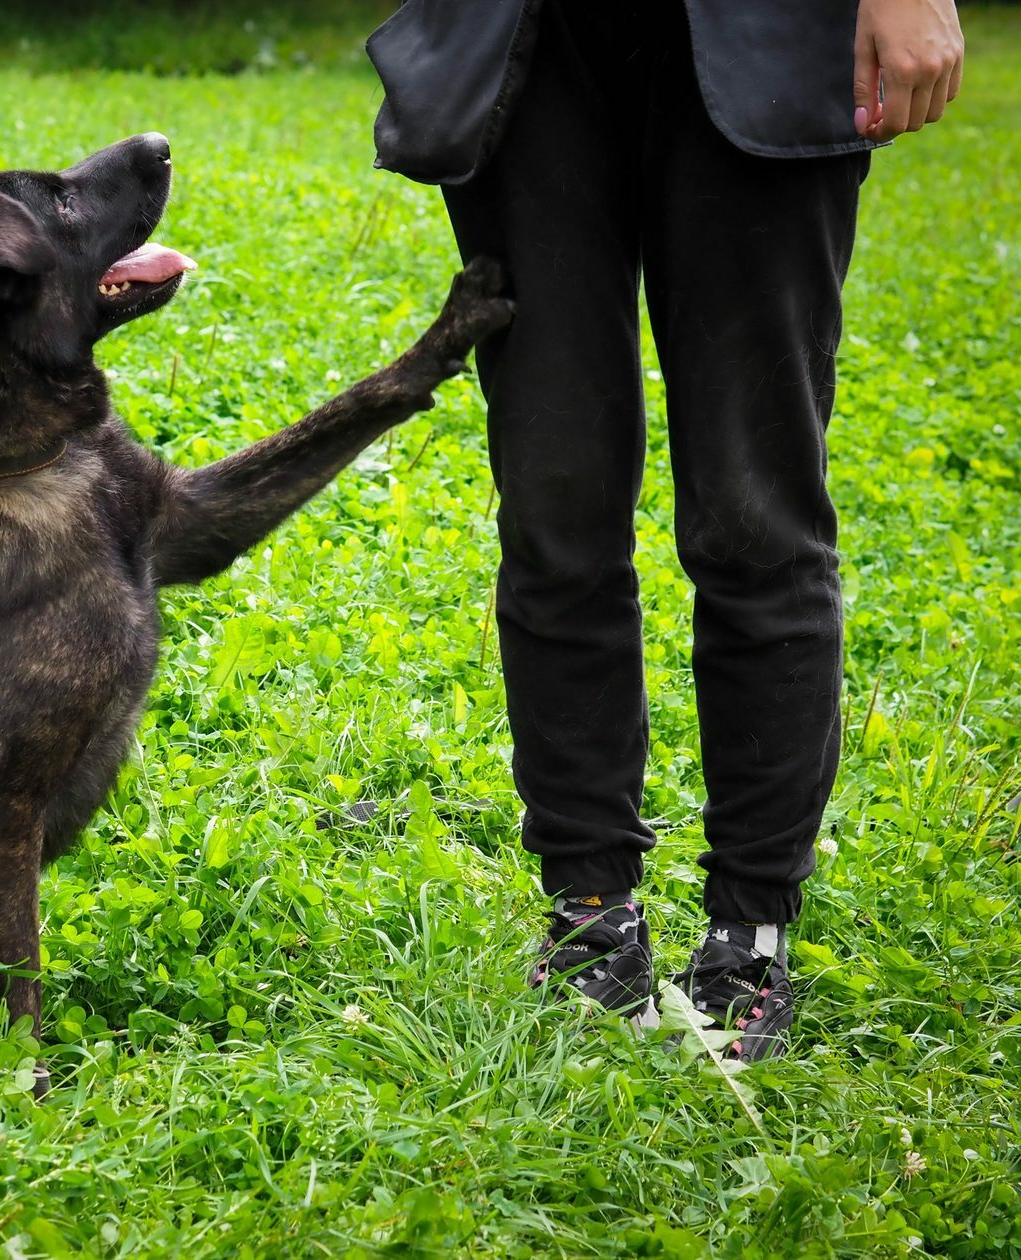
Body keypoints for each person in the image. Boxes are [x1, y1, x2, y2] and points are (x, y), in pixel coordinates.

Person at [367, 0, 963, 1057]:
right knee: (557, 508)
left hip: (764, 36)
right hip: (526, 45)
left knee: (755, 515)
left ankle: (751, 928)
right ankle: (590, 912)